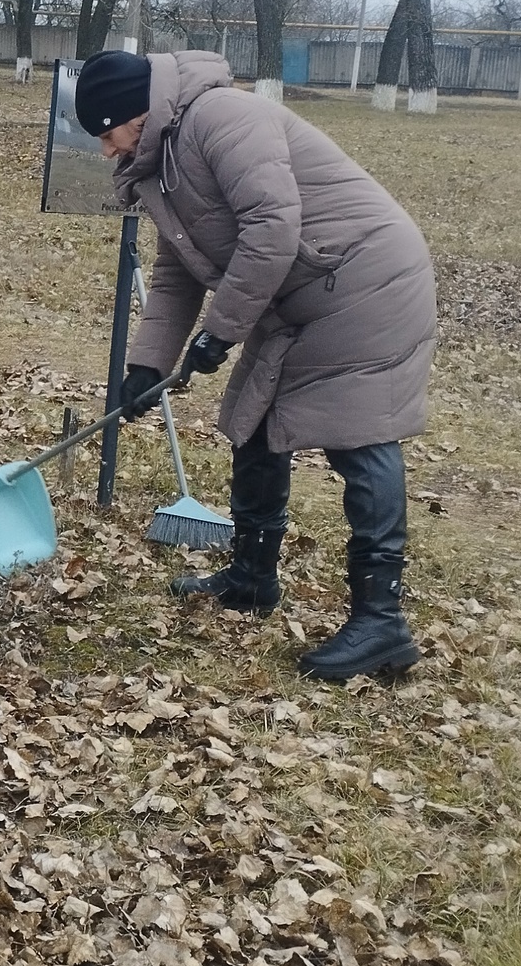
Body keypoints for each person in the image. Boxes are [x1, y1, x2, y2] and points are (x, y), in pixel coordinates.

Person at [75, 47, 437, 682]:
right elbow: (174, 270)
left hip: (361, 275)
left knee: (360, 435)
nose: (108, 150)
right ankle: (251, 577)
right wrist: (145, 367)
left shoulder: (225, 118)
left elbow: (271, 225)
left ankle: (383, 622)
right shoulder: (159, 159)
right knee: (255, 421)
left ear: (140, 113)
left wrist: (220, 334)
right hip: (297, 289)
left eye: (108, 133)